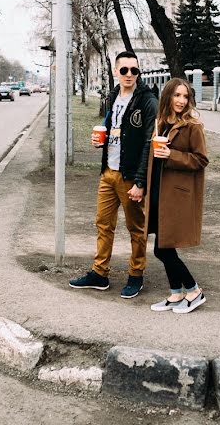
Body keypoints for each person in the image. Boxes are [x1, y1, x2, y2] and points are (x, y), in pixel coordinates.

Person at [70, 51, 157, 299]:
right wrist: (102, 140)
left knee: (136, 229)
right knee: (103, 224)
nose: (130, 74)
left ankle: (136, 275)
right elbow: (114, 131)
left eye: (134, 70)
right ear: (116, 72)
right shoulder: (111, 98)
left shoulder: (147, 101)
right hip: (108, 172)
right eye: (124, 70)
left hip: (130, 177)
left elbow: (148, 144)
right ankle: (100, 274)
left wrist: (141, 181)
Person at [145, 78, 209, 314]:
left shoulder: (193, 126)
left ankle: (193, 290)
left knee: (162, 248)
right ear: (168, 97)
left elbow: (201, 160)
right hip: (158, 191)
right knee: (163, 245)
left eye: (185, 96)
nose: (181, 101)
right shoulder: (160, 122)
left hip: (177, 195)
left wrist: (172, 154)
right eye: (177, 95)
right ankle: (175, 295)